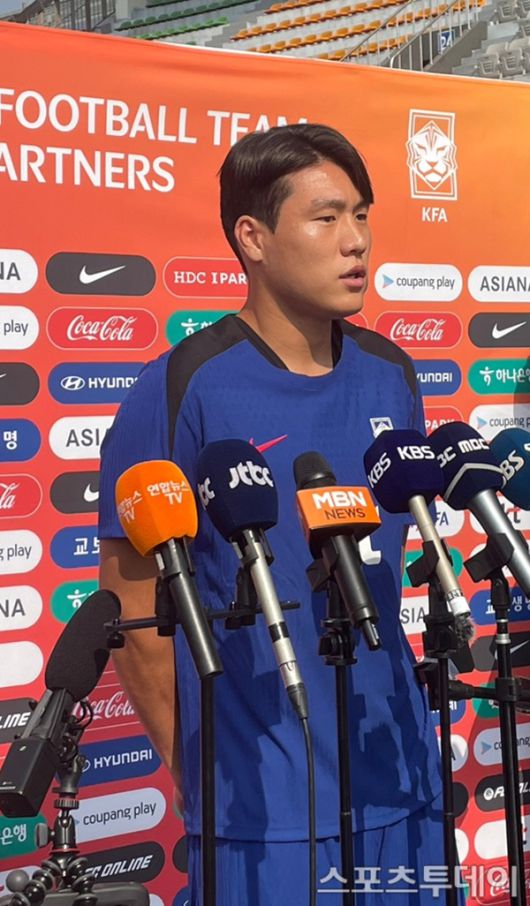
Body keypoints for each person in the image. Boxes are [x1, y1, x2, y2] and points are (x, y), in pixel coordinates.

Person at [98, 123, 455, 904]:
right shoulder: (179, 387)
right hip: (262, 811)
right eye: (326, 219)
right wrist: (202, 778)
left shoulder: (392, 374)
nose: (356, 241)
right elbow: (132, 608)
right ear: (252, 238)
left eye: (361, 215)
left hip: (405, 779)